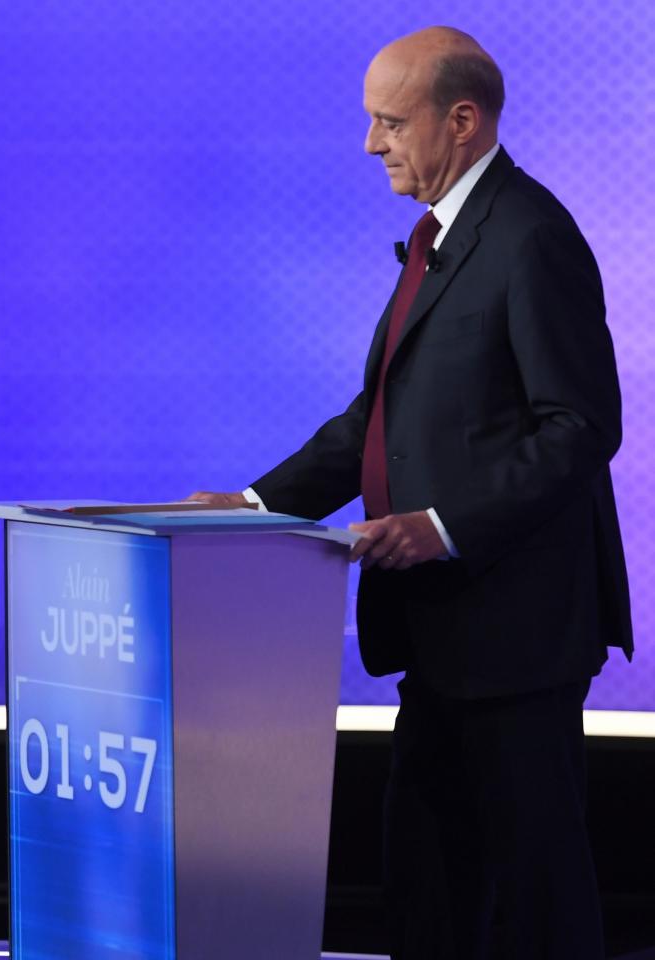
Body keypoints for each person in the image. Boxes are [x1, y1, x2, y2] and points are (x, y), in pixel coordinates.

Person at [191, 27, 631, 959]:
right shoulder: (442, 238)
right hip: (443, 640)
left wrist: (440, 527)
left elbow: (582, 428)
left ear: (462, 121)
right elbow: (376, 422)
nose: (370, 143)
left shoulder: (531, 237)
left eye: (390, 122)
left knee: (533, 898)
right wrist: (258, 505)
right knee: (428, 887)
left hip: (517, 644)